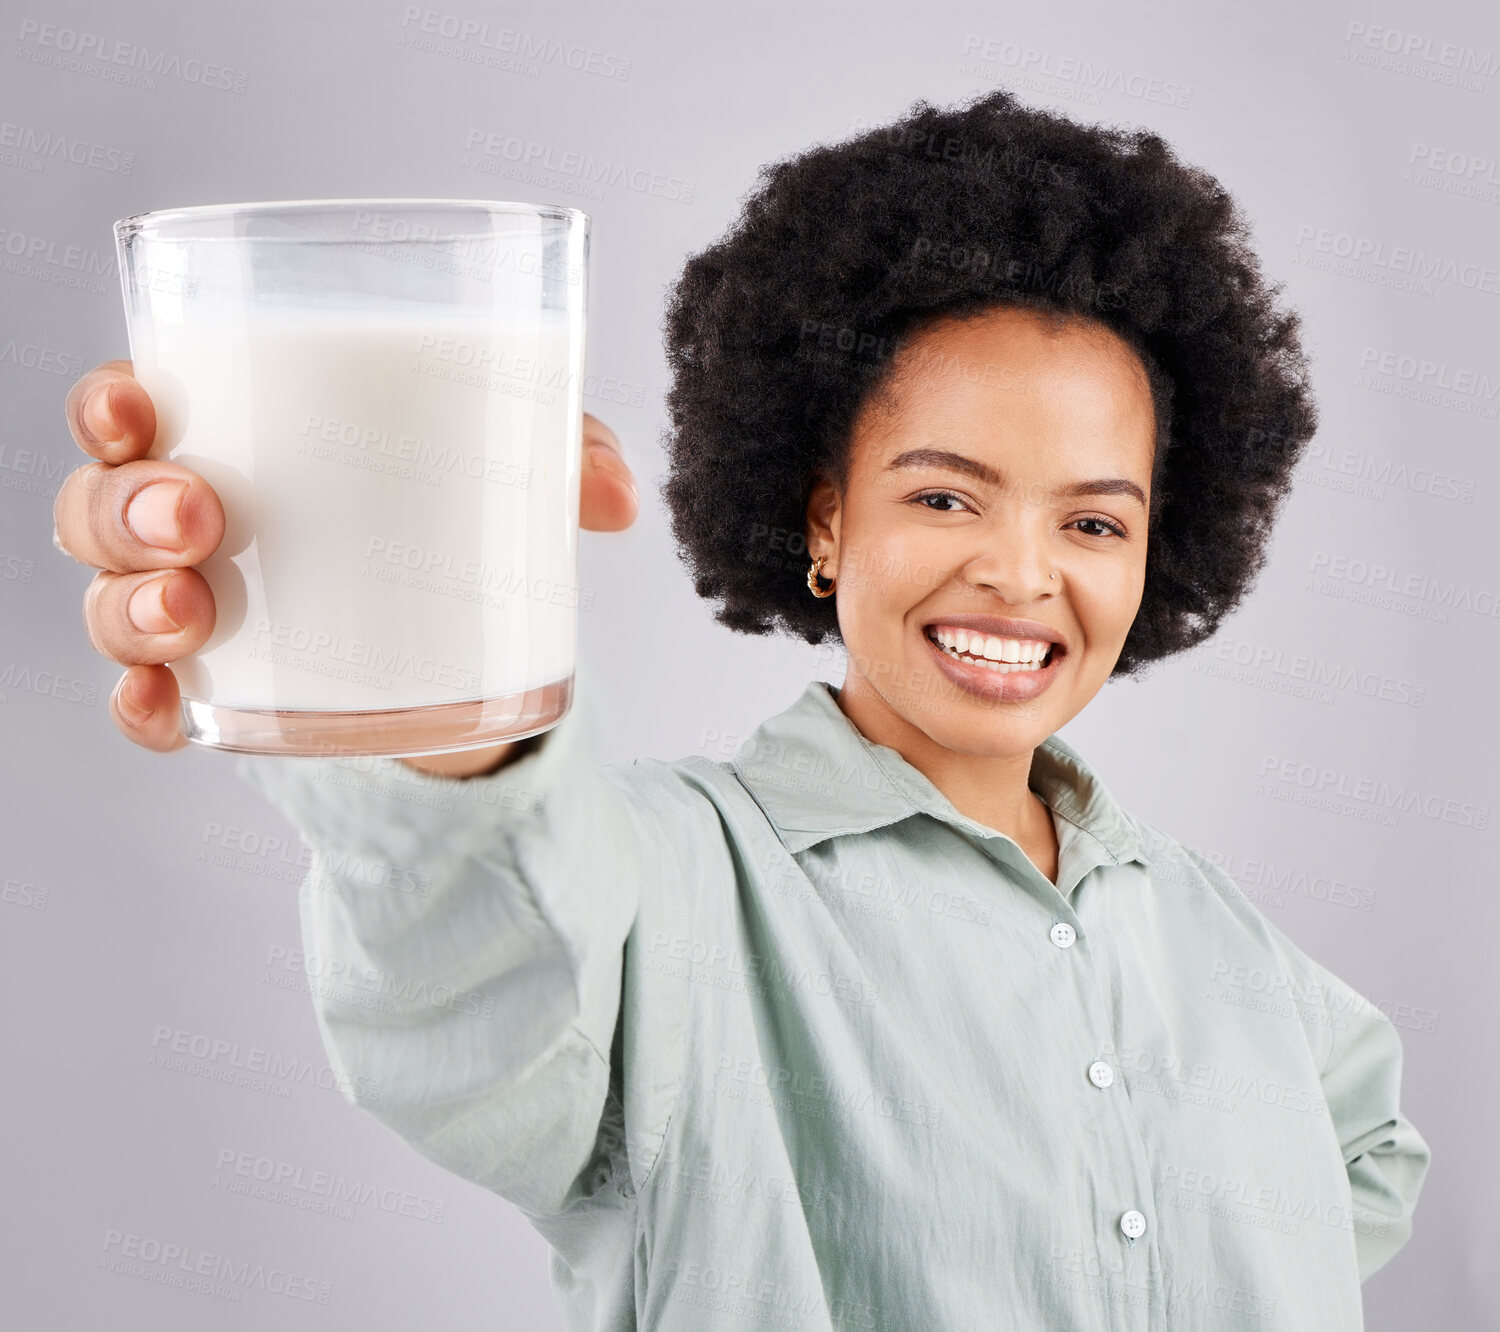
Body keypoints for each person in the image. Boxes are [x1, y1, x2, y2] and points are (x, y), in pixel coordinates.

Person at [54, 88, 1429, 1331]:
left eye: (1094, 520)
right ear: (825, 520)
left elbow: (1374, 1152)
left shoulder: (1215, 929)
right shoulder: (674, 886)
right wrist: (429, 691)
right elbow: (469, 985)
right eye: (944, 495)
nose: (1022, 573)